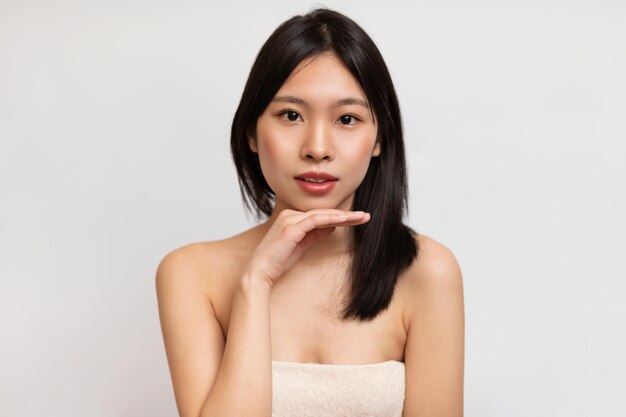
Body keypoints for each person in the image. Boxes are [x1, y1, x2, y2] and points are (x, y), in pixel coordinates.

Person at [156, 8, 464, 417]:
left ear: (379, 140)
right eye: (291, 115)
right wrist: (256, 281)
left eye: (347, 119)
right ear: (251, 131)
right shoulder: (192, 275)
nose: (317, 147)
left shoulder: (427, 271)